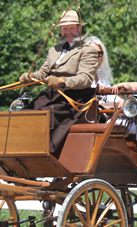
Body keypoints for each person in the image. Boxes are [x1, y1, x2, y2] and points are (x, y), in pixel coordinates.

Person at [19, 9, 98, 156]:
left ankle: (44, 152)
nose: (68, 31)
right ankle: (23, 151)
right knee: (24, 113)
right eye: (64, 28)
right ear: (61, 29)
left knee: (45, 115)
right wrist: (29, 78)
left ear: (79, 28)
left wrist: (61, 81)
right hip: (51, 96)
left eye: (71, 27)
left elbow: (86, 78)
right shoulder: (54, 50)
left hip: (74, 99)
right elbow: (43, 73)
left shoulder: (87, 51)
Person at [84, 36, 117, 107]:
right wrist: (95, 90)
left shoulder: (102, 77)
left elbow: (114, 99)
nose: (95, 57)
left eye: (98, 54)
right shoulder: (79, 75)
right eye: (91, 53)